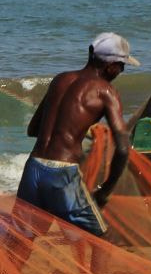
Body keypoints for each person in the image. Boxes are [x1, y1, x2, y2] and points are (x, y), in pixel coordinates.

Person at [18, 32, 138, 236]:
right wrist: (105, 192)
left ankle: (0, 270)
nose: (122, 70)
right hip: (62, 175)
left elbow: (33, 129)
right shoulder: (106, 92)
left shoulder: (60, 80)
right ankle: (92, 270)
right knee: (100, 237)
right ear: (110, 66)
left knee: (23, 239)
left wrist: (69, 127)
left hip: (34, 168)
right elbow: (123, 148)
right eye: (121, 65)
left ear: (91, 52)